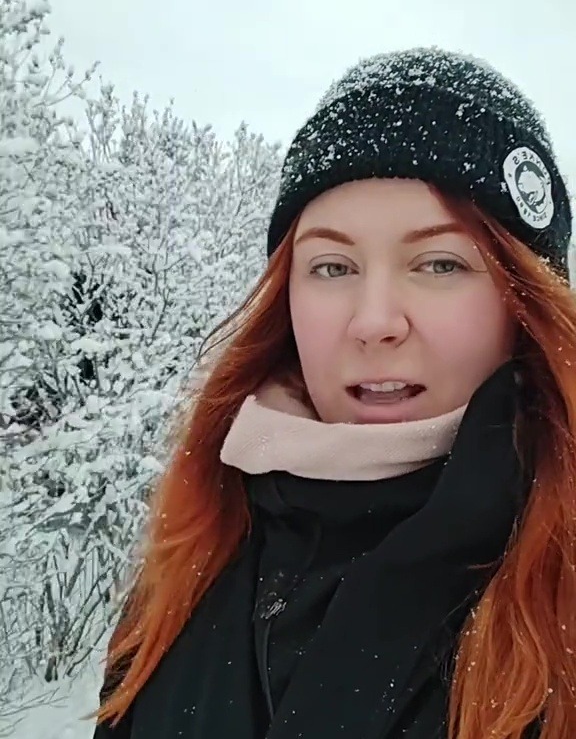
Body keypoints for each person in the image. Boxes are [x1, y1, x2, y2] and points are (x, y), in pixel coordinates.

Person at [90, 47, 576, 739]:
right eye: (332, 265)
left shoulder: (558, 595)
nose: (374, 320)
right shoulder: (192, 557)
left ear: (524, 299)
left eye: (439, 262)